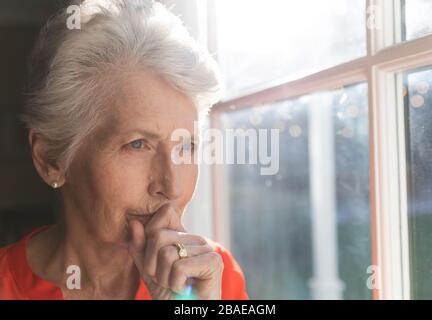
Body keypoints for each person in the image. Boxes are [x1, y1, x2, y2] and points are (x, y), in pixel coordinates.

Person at [0, 0, 249, 300]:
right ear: (50, 158)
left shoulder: (213, 277)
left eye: (187, 146)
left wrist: (189, 303)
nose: (171, 186)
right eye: (138, 145)